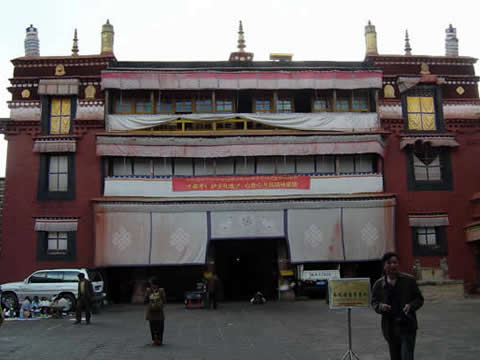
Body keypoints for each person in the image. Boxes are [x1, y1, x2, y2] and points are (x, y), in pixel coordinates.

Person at [372, 252, 424, 360]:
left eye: (395, 262)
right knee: (395, 357)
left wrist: (410, 306)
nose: (393, 265)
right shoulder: (378, 284)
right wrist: (380, 307)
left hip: (407, 325)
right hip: (390, 327)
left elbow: (419, 299)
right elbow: (374, 302)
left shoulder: (409, 280)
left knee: (407, 356)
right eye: (389, 263)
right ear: (384, 265)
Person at [144, 278, 167, 346]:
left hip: (151, 312)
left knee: (153, 326)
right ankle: (159, 340)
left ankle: (155, 340)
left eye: (151, 283)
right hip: (159, 312)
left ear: (153, 284)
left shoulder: (148, 290)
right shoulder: (161, 290)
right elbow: (164, 300)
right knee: (160, 326)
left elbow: (145, 301)